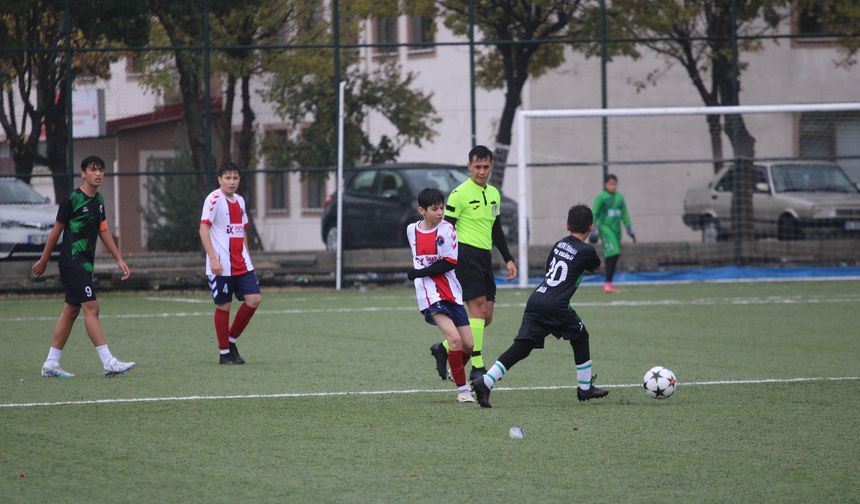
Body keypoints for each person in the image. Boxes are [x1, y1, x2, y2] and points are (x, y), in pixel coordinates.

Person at [471, 204, 609, 408]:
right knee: (581, 335)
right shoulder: (587, 250)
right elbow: (597, 267)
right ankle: (584, 388)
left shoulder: (559, 244)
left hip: (537, 298)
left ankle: (485, 382)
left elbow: (550, 269)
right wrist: (594, 247)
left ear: (567, 225)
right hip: (556, 305)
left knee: (523, 346)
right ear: (591, 227)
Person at [31, 156, 135, 378]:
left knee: (71, 310)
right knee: (92, 308)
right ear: (83, 174)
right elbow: (57, 230)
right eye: (93, 170)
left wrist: (119, 259)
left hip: (86, 264)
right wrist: (44, 259)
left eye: (101, 170)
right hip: (72, 262)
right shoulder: (73, 199)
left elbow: (103, 230)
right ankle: (109, 362)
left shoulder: (99, 201)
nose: (98, 174)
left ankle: (51, 363)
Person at [429, 145, 517, 382]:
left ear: (491, 166)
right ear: (469, 166)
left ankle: (444, 348)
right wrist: (443, 260)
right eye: (477, 166)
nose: (481, 171)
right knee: (477, 309)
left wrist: (508, 257)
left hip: (484, 257)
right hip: (465, 256)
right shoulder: (459, 194)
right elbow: (446, 228)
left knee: (486, 317)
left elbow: (496, 228)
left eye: (486, 167)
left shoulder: (494, 193)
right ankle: (477, 366)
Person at [406, 188, 476, 403]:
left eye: (442, 208)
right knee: (454, 339)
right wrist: (420, 276)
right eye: (434, 209)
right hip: (429, 293)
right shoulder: (411, 230)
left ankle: (454, 369)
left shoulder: (447, 229)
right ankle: (463, 391)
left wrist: (418, 272)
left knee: (469, 344)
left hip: (451, 291)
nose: (440, 212)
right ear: (422, 211)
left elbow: (449, 262)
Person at [199, 162, 262, 364]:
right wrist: (212, 259)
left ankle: (231, 340)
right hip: (221, 265)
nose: (232, 182)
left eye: (235, 178)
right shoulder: (214, 199)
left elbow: (241, 231)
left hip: (242, 264)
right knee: (224, 306)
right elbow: (203, 228)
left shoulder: (240, 201)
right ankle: (224, 353)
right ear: (219, 179)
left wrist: (248, 257)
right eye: (227, 178)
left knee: (254, 299)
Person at [592, 174, 635, 294]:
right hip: (605, 229)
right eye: (610, 184)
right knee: (614, 252)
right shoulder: (601, 197)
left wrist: (629, 229)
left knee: (613, 254)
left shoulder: (619, 197)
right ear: (605, 185)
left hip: (617, 231)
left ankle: (608, 283)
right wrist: (593, 229)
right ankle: (607, 284)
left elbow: (625, 213)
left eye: (615, 184)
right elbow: (594, 213)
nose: (613, 186)